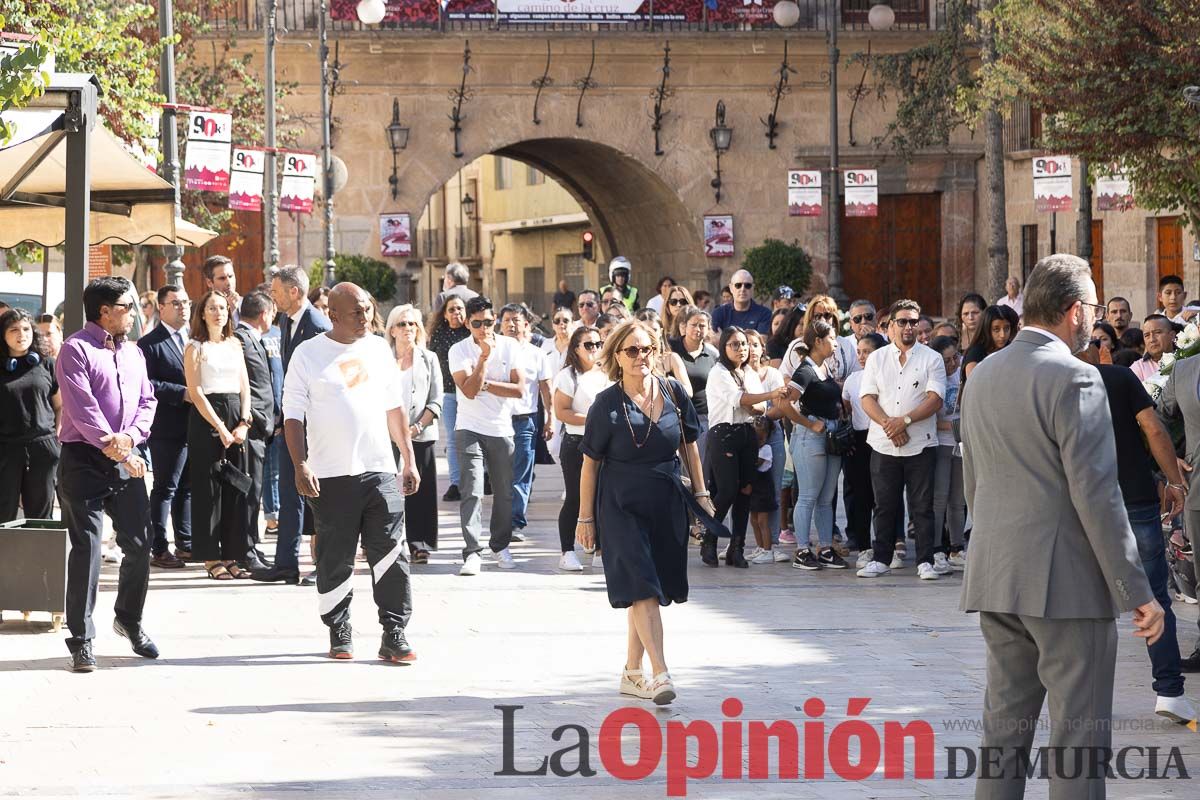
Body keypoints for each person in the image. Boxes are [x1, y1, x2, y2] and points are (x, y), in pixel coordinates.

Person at [960, 253, 1165, 797]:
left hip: (998, 576)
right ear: (1076, 311)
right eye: (1093, 306)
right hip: (1068, 586)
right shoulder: (1077, 377)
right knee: (1078, 744)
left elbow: (974, 484)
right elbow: (1097, 494)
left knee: (1002, 737)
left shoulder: (981, 377)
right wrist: (1137, 590)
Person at [576, 320, 716, 706]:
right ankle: (660, 672)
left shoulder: (673, 392)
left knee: (651, 587)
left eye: (647, 349)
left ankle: (631, 671)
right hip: (620, 503)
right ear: (617, 356)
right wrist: (584, 518)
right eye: (632, 351)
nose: (641, 357)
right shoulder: (606, 404)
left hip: (667, 499)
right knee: (642, 584)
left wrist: (701, 494)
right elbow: (589, 463)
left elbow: (689, 445)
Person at [283, 283, 421, 662]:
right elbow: (292, 415)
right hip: (329, 475)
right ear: (334, 315)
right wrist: (300, 464)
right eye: (356, 312)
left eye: (367, 309)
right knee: (335, 557)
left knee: (392, 553)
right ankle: (338, 627)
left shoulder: (378, 349)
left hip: (379, 470)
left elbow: (395, 408)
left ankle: (394, 631)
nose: (365, 317)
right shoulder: (308, 355)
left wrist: (407, 458)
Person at [56, 276, 159, 672]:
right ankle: (81, 639)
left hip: (126, 455)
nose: (132, 314)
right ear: (104, 311)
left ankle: (129, 620)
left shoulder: (134, 352)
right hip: (84, 459)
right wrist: (115, 446)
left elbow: (147, 400)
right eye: (125, 307)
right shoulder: (75, 349)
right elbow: (82, 411)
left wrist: (130, 440)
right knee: (88, 549)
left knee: (139, 543)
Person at [1098, 362, 1195, 722]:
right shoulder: (1120, 377)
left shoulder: (1049, 380)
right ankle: (1169, 691)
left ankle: (1086, 695)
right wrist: (1173, 481)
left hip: (1082, 503)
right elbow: (1153, 428)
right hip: (1134, 497)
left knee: (1088, 601)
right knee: (1154, 596)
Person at [857, 299, 948, 580]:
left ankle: (925, 561)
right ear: (891, 326)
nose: (909, 327)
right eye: (903, 322)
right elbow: (867, 398)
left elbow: (935, 399)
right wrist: (890, 425)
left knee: (922, 506)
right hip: (884, 443)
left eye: (913, 322)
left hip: (920, 443)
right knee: (884, 504)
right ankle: (881, 558)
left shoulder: (932, 358)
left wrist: (904, 421)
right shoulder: (877, 358)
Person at [253, 265, 332, 584]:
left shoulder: (317, 324)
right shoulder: (287, 321)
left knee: (318, 497)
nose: (272, 296)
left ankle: (325, 565)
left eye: (276, 291)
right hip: (293, 421)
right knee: (289, 492)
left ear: (294, 291)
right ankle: (286, 564)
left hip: (315, 425)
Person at [701, 326, 789, 568]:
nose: (741, 349)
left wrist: (753, 401)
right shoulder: (719, 372)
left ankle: (736, 548)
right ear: (724, 347)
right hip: (724, 433)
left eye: (744, 344)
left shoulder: (749, 372)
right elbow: (741, 400)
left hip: (748, 433)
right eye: (735, 344)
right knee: (727, 490)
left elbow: (758, 407)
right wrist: (759, 398)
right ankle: (709, 539)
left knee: (745, 491)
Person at [450, 295, 525, 575]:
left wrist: (486, 384)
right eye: (478, 323)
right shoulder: (458, 351)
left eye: (489, 322)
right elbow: (468, 391)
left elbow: (519, 390)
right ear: (468, 323)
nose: (485, 329)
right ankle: (472, 552)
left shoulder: (510, 346)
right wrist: (483, 357)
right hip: (468, 426)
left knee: (505, 493)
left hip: (501, 427)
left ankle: (500, 545)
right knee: (472, 491)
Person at [184, 291, 253, 581]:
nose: (218, 312)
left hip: (236, 417)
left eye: (223, 308)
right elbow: (196, 392)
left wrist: (244, 423)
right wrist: (221, 428)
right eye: (212, 307)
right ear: (202, 313)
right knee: (208, 491)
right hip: (207, 420)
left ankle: (232, 553)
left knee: (236, 489)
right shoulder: (194, 347)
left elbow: (245, 386)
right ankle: (211, 556)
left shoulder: (235, 343)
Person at [779, 319, 849, 571]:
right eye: (832, 338)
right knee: (808, 496)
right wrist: (809, 425)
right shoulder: (805, 370)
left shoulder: (824, 368)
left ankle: (826, 548)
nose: (836, 343)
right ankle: (802, 550)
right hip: (811, 437)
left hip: (830, 435)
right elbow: (785, 403)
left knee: (826, 497)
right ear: (818, 341)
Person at [137, 285, 193, 569]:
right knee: (165, 488)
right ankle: (159, 548)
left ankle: (186, 542)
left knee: (186, 487)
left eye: (186, 302)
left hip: (192, 425)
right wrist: (180, 392)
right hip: (166, 426)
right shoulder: (149, 344)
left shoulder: (193, 339)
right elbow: (146, 385)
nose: (183, 307)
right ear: (162, 307)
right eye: (176, 303)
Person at [386, 304, 443, 563]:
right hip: (386, 436)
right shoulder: (382, 359)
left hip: (421, 433)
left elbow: (436, 400)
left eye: (412, 324)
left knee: (421, 492)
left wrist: (416, 426)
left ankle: (420, 543)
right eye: (402, 324)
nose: (408, 328)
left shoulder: (428, 359)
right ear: (392, 330)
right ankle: (385, 539)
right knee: (386, 490)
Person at [552, 324, 609, 571]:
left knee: (604, 498)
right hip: (577, 443)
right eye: (588, 344)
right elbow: (561, 411)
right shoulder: (568, 376)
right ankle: (567, 551)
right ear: (576, 348)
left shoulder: (608, 374)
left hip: (606, 444)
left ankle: (600, 547)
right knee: (576, 497)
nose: (594, 349)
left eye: (598, 344)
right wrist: (592, 419)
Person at [499, 303, 553, 541]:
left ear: (526, 325)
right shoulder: (492, 351)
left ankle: (514, 523)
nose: (511, 325)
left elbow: (545, 389)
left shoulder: (537, 354)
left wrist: (550, 418)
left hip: (525, 420)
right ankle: (501, 519)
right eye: (506, 320)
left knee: (521, 473)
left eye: (516, 320)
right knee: (500, 474)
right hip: (496, 420)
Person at [0, 307, 60, 522]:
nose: (21, 334)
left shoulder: (47, 364)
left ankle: (40, 556)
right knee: (4, 514)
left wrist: (57, 438)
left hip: (42, 448)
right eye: (13, 329)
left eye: (26, 329)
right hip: (6, 449)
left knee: (40, 517)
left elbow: (60, 406)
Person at [234, 291, 278, 571]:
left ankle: (252, 544)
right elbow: (246, 386)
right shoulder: (241, 339)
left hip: (262, 428)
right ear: (264, 314)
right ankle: (245, 550)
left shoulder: (254, 338)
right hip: (252, 427)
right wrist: (257, 419)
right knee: (248, 492)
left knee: (256, 490)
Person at [745, 330, 789, 563]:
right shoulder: (739, 373)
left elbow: (781, 406)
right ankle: (749, 543)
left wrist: (760, 418)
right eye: (746, 344)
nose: (751, 349)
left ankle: (771, 543)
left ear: (763, 348)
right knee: (743, 488)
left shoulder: (773, 373)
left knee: (773, 488)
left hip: (771, 435)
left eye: (755, 344)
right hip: (745, 437)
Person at [842, 333, 886, 558]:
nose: (861, 356)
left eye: (866, 352)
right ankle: (863, 546)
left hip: (884, 436)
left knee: (884, 495)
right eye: (858, 351)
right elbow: (846, 408)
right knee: (860, 495)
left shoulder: (887, 376)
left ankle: (885, 544)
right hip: (859, 440)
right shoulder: (853, 379)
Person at [928, 335, 966, 570]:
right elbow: (929, 416)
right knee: (939, 498)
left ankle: (957, 548)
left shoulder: (964, 374)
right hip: (941, 442)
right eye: (946, 361)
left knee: (958, 500)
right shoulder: (933, 378)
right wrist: (956, 427)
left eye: (955, 357)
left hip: (961, 444)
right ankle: (936, 549)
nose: (952, 364)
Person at [427, 295, 470, 501]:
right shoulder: (437, 335)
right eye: (452, 310)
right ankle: (456, 482)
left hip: (471, 393)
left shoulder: (472, 333)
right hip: (449, 394)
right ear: (444, 314)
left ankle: (484, 475)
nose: (456, 313)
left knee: (476, 437)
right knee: (453, 439)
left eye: (460, 309)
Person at [668, 307, 718, 463]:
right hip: (676, 417)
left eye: (702, 325)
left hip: (703, 417)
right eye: (694, 324)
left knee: (700, 466)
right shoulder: (672, 347)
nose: (698, 329)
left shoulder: (713, 354)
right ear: (684, 326)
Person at [746, 416, 779, 564]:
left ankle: (768, 550)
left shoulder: (766, 449)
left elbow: (754, 464)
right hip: (754, 491)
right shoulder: (753, 448)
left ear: (767, 436)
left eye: (761, 438)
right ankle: (760, 547)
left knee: (762, 521)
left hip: (763, 491)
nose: (758, 441)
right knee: (753, 520)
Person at [634, 309, 691, 392]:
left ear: (661, 332)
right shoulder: (632, 358)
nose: (651, 334)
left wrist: (670, 383)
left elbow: (688, 391)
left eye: (654, 330)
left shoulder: (671, 358)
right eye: (646, 330)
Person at [960, 304, 1016, 382]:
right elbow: (974, 386)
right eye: (996, 329)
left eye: (1006, 328)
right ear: (987, 330)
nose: (1002, 335)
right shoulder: (975, 354)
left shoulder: (1012, 349)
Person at [711, 269, 772, 334]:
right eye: (738, 285)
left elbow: (762, 340)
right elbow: (713, 339)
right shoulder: (719, 313)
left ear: (752, 288)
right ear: (731, 288)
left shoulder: (764, 314)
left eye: (747, 285)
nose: (742, 289)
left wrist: (724, 338)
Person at [835, 300, 877, 377]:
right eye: (857, 319)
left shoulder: (886, 340)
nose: (864, 321)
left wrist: (872, 339)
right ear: (851, 323)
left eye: (868, 317)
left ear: (876, 318)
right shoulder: (843, 344)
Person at [1132, 314, 1177, 381]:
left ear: (1172, 335)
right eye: (1147, 335)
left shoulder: (1187, 360)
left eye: (1157, 332)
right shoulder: (1138, 368)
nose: (1152, 339)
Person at [203, 255, 241, 320]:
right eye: (222, 278)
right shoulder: (204, 309)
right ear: (209, 282)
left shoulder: (247, 304)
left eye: (230, 276)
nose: (228, 283)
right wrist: (230, 310)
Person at [541, 306, 574, 371]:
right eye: (557, 321)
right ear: (553, 325)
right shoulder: (546, 344)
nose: (561, 323)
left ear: (572, 323)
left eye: (565, 320)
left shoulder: (578, 344)